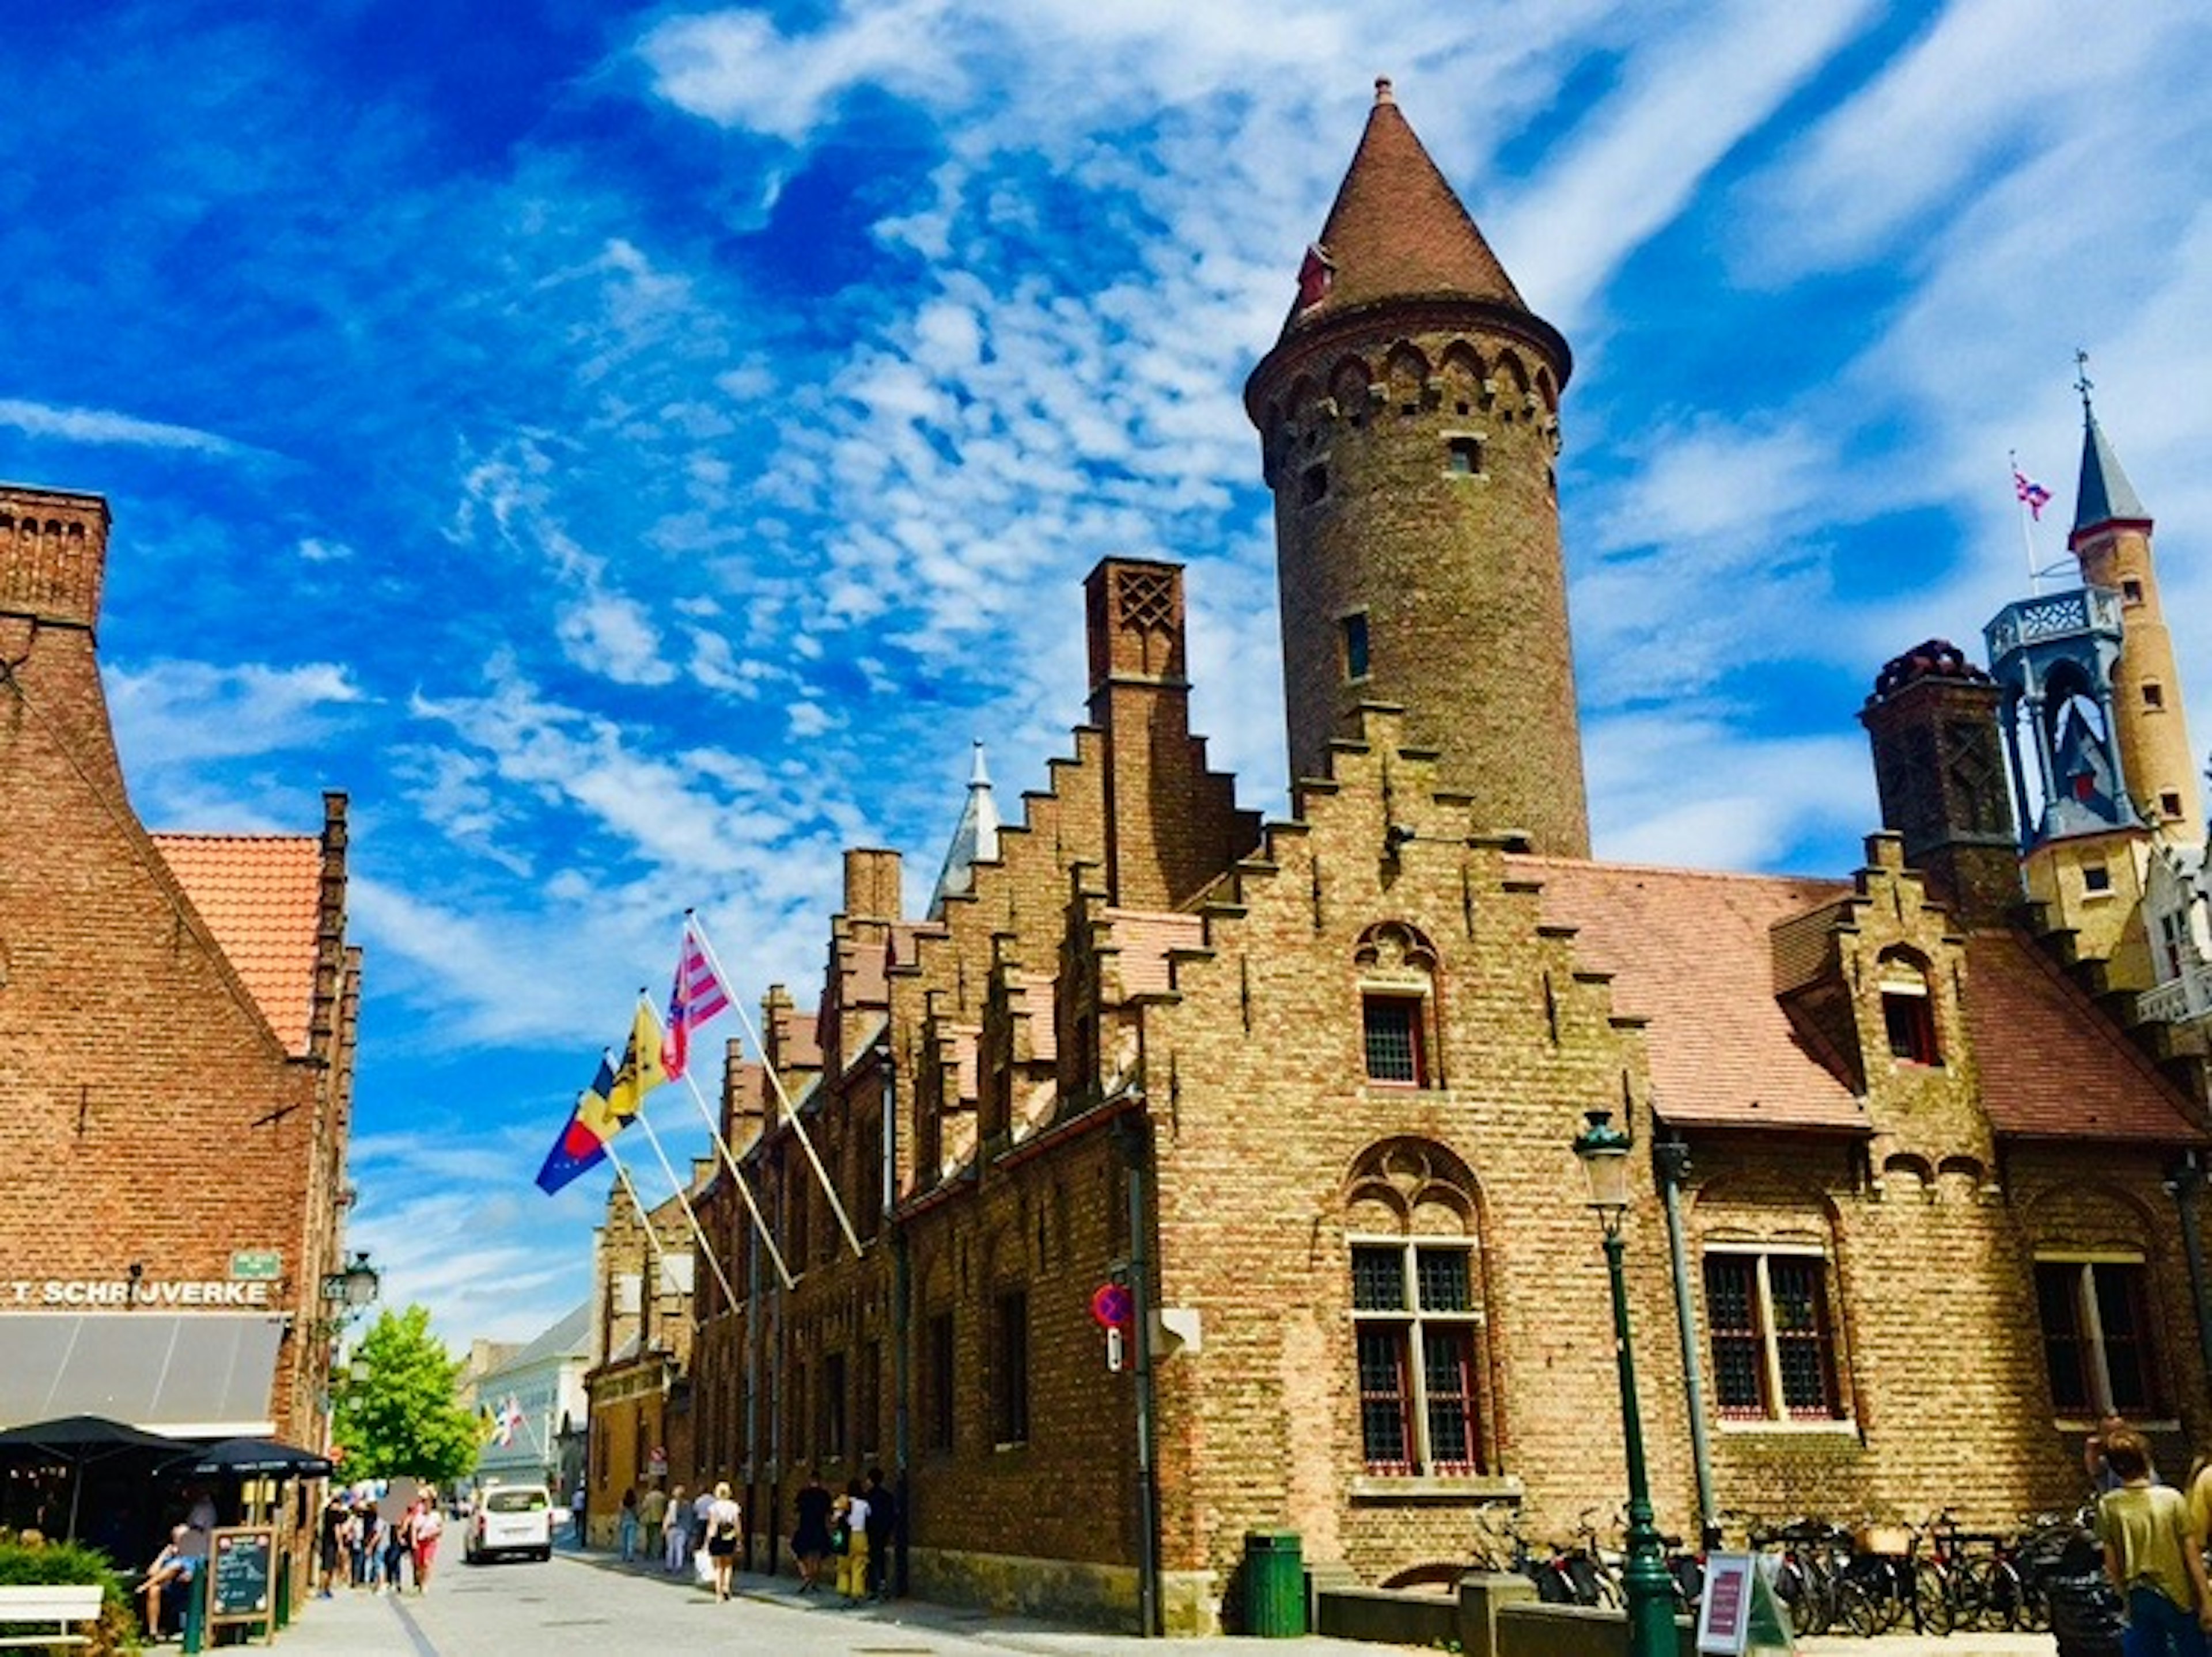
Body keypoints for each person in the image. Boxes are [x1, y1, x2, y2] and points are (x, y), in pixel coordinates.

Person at [2096, 1427, 2212, 1657]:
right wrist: (2206, 1601)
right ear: (2146, 1459)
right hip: (2179, 1594)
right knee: (2191, 1648)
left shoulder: (2108, 1506)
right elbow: (2192, 1556)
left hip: (2138, 1593)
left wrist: (2122, 1595)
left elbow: (2112, 1564)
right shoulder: (2172, 1500)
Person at [139, 1523, 195, 1639]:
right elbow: (151, 1572)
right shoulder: (170, 1554)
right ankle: (153, 1632)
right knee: (154, 1589)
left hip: (185, 1587)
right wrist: (163, 1555)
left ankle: (145, 1586)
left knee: (176, 1566)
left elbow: (190, 1571)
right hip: (168, 1587)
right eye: (178, 1538)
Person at [791, 1469, 833, 1593]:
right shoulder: (824, 1495)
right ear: (820, 1481)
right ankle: (814, 1581)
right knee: (818, 1555)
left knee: (797, 1550)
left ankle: (806, 1575)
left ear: (810, 1480)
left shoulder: (804, 1494)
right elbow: (829, 1512)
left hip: (805, 1527)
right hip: (819, 1527)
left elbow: (796, 1510)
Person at [862, 1466, 896, 1600]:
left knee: (871, 1559)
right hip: (883, 1533)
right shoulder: (887, 1497)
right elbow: (892, 1515)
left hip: (870, 1532)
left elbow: (866, 1516)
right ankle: (882, 1584)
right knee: (880, 1558)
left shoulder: (867, 1497)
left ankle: (873, 1588)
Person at [704, 1481, 742, 1602]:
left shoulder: (714, 1507)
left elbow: (712, 1525)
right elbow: (737, 1524)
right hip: (730, 1536)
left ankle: (719, 1594)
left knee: (718, 1567)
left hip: (717, 1536)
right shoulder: (734, 1506)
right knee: (729, 1564)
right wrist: (739, 1539)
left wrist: (706, 1542)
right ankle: (726, 1586)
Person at [836, 1479, 872, 1605]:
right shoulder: (864, 1504)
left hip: (845, 1536)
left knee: (843, 1566)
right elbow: (869, 1517)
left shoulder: (843, 1501)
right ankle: (857, 1592)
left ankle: (843, 1589)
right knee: (859, 1564)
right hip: (860, 1535)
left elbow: (835, 1517)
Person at [316, 1491, 349, 1598]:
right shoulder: (334, 1515)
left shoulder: (326, 1512)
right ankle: (323, 1589)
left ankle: (325, 1589)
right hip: (331, 1543)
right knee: (328, 1567)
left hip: (326, 1541)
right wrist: (340, 1545)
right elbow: (337, 1530)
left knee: (327, 1566)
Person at [411, 1493, 444, 1592]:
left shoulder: (436, 1515)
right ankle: (420, 1582)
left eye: (429, 1503)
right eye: (425, 1503)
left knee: (427, 1562)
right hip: (420, 1541)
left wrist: (434, 1533)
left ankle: (425, 1584)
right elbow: (414, 1529)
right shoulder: (419, 1516)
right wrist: (414, 1541)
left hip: (430, 1542)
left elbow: (441, 1529)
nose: (427, 1505)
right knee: (420, 1564)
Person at [638, 1483, 667, 1571]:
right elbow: (666, 1508)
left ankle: (649, 1553)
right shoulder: (663, 1497)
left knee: (650, 1537)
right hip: (660, 1518)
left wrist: (639, 1515)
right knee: (659, 1537)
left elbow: (644, 1507)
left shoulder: (648, 1497)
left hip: (650, 1519)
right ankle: (658, 1553)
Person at [662, 1484, 689, 1573]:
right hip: (683, 1528)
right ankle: (678, 1566)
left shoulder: (672, 1503)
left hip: (673, 1527)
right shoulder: (687, 1504)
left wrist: (665, 1527)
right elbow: (689, 1517)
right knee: (680, 1548)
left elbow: (670, 1516)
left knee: (670, 1548)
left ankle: (669, 1565)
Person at [618, 1487, 639, 1564]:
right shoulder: (634, 1503)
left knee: (624, 1540)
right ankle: (630, 1556)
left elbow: (621, 1513)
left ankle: (624, 1556)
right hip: (633, 1522)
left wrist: (620, 1522)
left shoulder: (623, 1502)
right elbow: (636, 1513)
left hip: (624, 1522)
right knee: (631, 1540)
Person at [570, 1484, 588, 1550]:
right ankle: (582, 1532)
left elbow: (573, 1502)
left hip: (575, 1509)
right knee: (582, 1521)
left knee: (577, 1521)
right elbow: (584, 1500)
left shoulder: (575, 1494)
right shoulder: (582, 1494)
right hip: (581, 1509)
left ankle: (577, 1531)